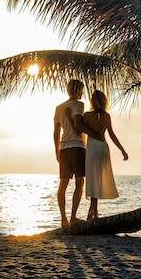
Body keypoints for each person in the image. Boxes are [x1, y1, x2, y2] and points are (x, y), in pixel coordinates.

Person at [81, 89, 128, 220]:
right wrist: (122, 150)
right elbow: (112, 135)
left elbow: (79, 128)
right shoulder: (107, 116)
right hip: (103, 148)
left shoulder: (87, 115)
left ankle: (94, 213)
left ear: (92, 101)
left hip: (93, 148)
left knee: (93, 180)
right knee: (97, 180)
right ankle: (91, 212)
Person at [53, 79, 87, 228]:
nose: (82, 93)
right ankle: (73, 217)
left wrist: (56, 150)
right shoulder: (79, 105)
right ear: (78, 90)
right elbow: (78, 128)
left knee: (63, 184)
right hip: (77, 145)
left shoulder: (58, 107)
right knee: (80, 181)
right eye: (82, 90)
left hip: (63, 147)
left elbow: (56, 132)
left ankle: (63, 219)